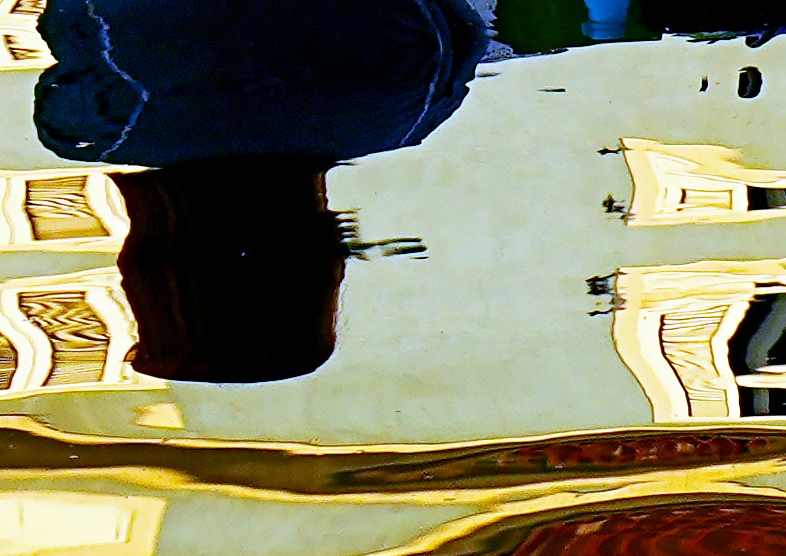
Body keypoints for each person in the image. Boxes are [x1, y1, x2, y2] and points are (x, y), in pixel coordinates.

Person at [32, 0, 489, 385]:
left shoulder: (410, 111)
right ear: (147, 271)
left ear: (319, 269)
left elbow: (462, 25)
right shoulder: (98, 126)